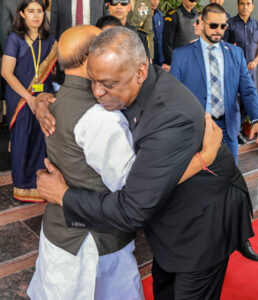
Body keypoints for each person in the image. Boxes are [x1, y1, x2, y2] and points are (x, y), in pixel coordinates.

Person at [36, 26, 255, 300]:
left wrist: (64, 196)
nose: (97, 92)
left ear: (140, 72)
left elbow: (132, 208)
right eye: (92, 80)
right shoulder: (124, 81)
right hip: (168, 225)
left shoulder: (168, 116)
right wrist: (41, 100)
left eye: (107, 84)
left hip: (200, 227)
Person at [28, 25, 144, 300]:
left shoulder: (56, 99)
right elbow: (130, 185)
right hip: (93, 244)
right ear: (92, 56)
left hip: (59, 231)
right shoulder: (99, 115)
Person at [170, 3, 258, 164]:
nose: (219, 30)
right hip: (197, 130)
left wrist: (256, 119)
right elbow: (174, 96)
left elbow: (248, 90)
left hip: (228, 127)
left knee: (231, 178)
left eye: (223, 26)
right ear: (201, 23)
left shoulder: (236, 53)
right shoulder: (181, 55)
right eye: (213, 25)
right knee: (201, 180)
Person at [1, 0, 57, 202]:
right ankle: (23, 186)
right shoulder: (14, 39)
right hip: (20, 97)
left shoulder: (50, 41)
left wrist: (43, 97)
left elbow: (52, 74)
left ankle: (41, 185)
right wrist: (29, 98)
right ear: (22, 14)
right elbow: (6, 73)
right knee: (23, 139)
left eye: (40, 11)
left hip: (43, 95)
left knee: (40, 140)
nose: (36, 15)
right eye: (31, 11)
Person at [50, 0, 106, 85]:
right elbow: (53, 29)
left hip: (95, 57)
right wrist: (52, 59)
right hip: (68, 59)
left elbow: (107, 25)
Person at [163, 0, 199, 71]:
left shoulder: (198, 15)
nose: (193, 3)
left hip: (194, 60)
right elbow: (167, 42)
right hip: (178, 60)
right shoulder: (173, 14)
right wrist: (173, 62)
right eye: (191, 0)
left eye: (196, 1)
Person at [151, 0, 165, 67]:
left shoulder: (160, 15)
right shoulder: (141, 16)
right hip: (149, 58)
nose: (155, 2)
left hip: (160, 58)